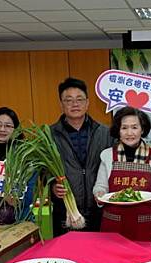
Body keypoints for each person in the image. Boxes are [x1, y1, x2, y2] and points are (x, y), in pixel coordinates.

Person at [50, 77, 113, 236]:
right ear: (61, 104)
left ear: (87, 103)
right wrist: (52, 187)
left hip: (99, 211)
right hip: (65, 212)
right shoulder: (50, 135)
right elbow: (43, 172)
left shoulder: (105, 133)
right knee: (66, 259)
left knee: (99, 258)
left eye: (79, 99)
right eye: (68, 100)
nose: (75, 104)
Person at [93, 107, 151, 241]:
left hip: (146, 225)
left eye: (134, 127)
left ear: (142, 129)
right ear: (118, 131)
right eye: (124, 128)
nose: (129, 133)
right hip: (114, 223)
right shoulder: (107, 155)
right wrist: (98, 194)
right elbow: (100, 186)